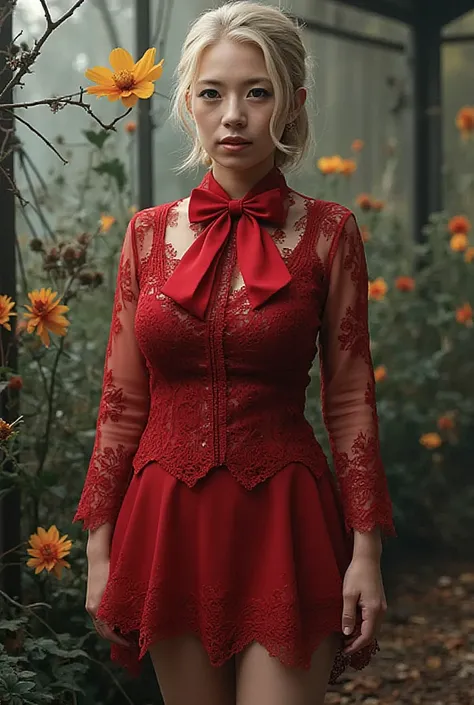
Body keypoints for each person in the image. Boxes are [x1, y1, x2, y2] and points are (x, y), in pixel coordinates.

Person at [74, 2, 396, 703]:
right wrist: (98, 548)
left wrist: (366, 550)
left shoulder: (331, 234)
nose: (234, 115)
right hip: (167, 528)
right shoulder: (145, 236)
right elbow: (122, 398)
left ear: (293, 103)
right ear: (188, 102)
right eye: (213, 93)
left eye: (258, 92)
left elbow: (348, 397)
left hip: (285, 523)